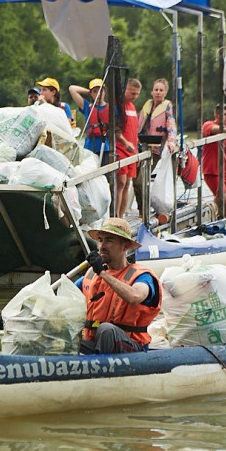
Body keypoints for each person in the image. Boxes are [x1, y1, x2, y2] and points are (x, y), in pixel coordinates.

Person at [77, 217, 161, 354]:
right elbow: (65, 296)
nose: (102, 246)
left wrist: (102, 273)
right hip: (95, 344)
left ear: (125, 246)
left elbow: (135, 296)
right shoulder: (91, 275)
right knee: (67, 341)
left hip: (131, 347)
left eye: (109, 240)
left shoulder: (141, 276)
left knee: (106, 330)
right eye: (100, 240)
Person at [114, 78, 142, 218]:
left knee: (127, 184)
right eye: (132, 93)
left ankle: (121, 215)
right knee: (121, 182)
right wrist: (125, 143)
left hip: (132, 151)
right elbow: (116, 130)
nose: (134, 97)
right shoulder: (119, 106)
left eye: (137, 94)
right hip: (121, 148)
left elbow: (134, 130)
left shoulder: (132, 107)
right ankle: (116, 215)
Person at [138, 78, 178, 160]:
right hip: (143, 146)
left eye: (161, 90)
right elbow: (137, 126)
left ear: (165, 93)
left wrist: (171, 141)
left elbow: (171, 126)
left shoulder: (167, 107)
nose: (158, 92)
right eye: (156, 90)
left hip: (158, 148)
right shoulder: (147, 105)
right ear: (152, 92)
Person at [69, 78, 109, 158]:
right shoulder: (87, 107)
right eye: (95, 91)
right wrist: (89, 92)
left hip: (106, 149)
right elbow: (72, 89)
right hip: (90, 148)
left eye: (100, 91)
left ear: (104, 92)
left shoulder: (111, 108)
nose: (98, 94)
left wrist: (93, 92)